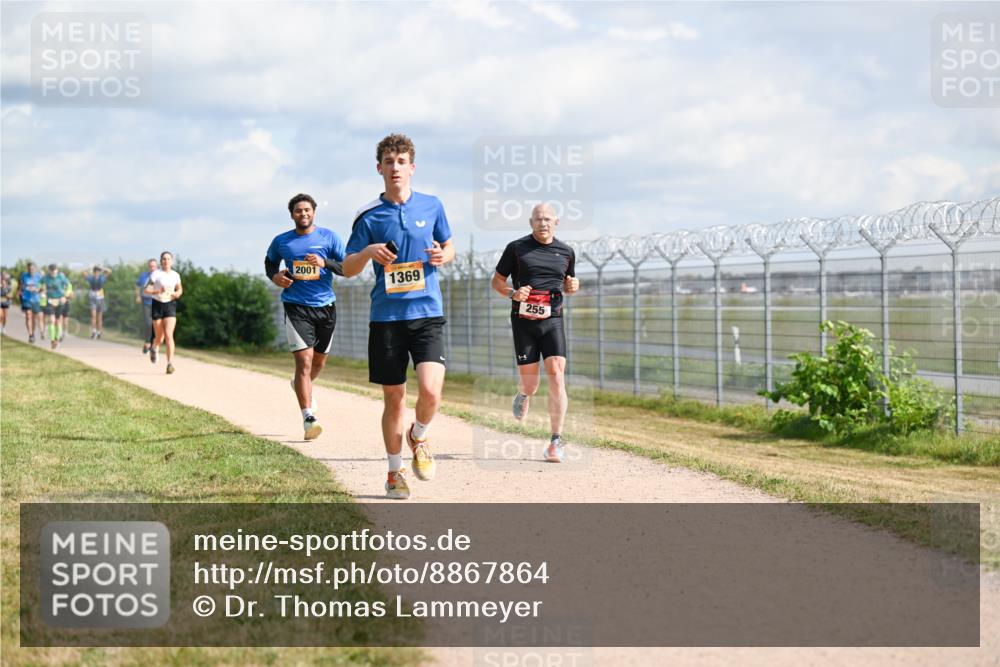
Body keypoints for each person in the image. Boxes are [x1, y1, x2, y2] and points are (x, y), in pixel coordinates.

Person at [342, 133, 455, 500]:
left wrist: (443, 256)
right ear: (379, 169)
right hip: (387, 318)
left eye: (401, 161)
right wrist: (369, 251)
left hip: (427, 312)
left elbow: (449, 245)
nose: (395, 168)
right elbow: (346, 267)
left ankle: (418, 435)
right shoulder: (369, 216)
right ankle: (394, 472)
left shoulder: (432, 206)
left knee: (431, 391)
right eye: (388, 162)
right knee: (394, 399)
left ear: (412, 167)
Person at [491, 203, 579, 463]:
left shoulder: (566, 252)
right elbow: (496, 281)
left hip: (553, 319)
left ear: (557, 222)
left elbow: (568, 283)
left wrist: (573, 285)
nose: (543, 223)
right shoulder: (516, 249)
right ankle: (523, 393)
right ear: (531, 222)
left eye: (548, 219)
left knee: (556, 373)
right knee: (531, 383)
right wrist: (512, 293)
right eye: (538, 219)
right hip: (524, 321)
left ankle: (555, 441)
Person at [265, 193, 346, 441]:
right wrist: (275, 277)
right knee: (304, 362)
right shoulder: (282, 241)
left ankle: (301, 386)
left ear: (314, 212)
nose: (303, 214)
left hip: (325, 307)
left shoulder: (329, 237)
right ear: (292, 214)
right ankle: (308, 417)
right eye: (298, 211)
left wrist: (324, 263)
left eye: (307, 210)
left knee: (319, 363)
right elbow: (270, 263)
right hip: (296, 306)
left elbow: (347, 267)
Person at [144, 251, 182, 374]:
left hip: (170, 305)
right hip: (157, 305)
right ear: (161, 261)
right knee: (159, 338)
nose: (166, 261)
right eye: (164, 259)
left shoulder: (176, 275)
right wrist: (157, 291)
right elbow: (147, 290)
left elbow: (179, 288)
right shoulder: (156, 274)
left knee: (169, 335)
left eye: (168, 259)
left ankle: (170, 364)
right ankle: (154, 348)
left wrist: (177, 293)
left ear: (172, 261)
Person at [39, 264, 70, 349]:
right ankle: (53, 341)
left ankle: (57, 338)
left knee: (58, 321)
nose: (53, 272)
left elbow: (69, 286)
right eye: (51, 270)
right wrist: (41, 291)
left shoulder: (61, 277)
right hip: (50, 301)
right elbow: (39, 283)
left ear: (57, 270)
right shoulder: (46, 278)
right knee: (51, 320)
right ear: (49, 270)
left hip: (60, 301)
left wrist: (65, 296)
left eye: (54, 270)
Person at [135, 258, 157, 354]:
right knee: (148, 323)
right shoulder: (144, 275)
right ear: (148, 266)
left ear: (156, 267)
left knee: (155, 324)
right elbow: (137, 285)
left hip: (157, 302)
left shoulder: (160, 276)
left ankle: (153, 344)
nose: (152, 268)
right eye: (151, 266)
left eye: (154, 266)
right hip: (146, 302)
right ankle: (147, 342)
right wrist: (138, 296)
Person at [17, 262, 41, 343]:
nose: (31, 270)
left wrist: (37, 290)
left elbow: (42, 288)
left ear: (35, 269)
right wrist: (20, 290)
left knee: (34, 318)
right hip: (26, 298)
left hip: (36, 299)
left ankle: (33, 333)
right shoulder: (24, 276)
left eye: (32, 269)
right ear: (27, 269)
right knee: (28, 315)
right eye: (29, 269)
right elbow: (20, 286)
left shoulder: (39, 276)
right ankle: (30, 335)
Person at [86, 265, 112, 338]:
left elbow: (109, 271)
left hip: (100, 298)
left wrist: (102, 267)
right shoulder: (91, 278)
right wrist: (90, 267)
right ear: (93, 272)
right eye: (95, 272)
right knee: (93, 316)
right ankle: (94, 331)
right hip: (93, 298)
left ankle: (99, 332)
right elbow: (83, 272)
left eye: (98, 272)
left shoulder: (102, 278)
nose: (97, 273)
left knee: (99, 317)